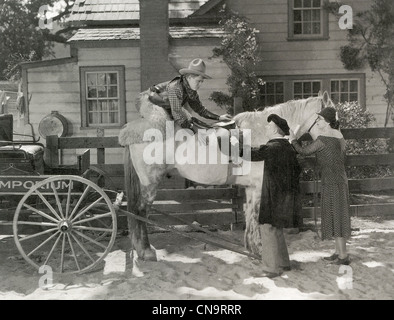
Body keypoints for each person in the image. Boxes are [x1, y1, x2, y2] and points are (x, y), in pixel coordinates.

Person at [289, 107, 351, 265]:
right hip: (339, 180)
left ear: (327, 122)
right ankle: (338, 252)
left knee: (336, 216)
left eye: (320, 120)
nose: (318, 122)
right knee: (338, 215)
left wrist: (293, 140)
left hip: (331, 181)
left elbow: (303, 151)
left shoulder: (323, 138)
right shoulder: (339, 135)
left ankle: (343, 256)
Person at [246, 114, 302, 277]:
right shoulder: (289, 148)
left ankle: (271, 268)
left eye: (269, 126)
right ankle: (284, 263)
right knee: (277, 227)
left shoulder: (273, 147)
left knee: (268, 227)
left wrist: (229, 143)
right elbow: (297, 170)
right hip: (286, 196)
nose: (266, 128)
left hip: (273, 195)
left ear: (276, 130)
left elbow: (250, 154)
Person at [149, 58, 232, 133]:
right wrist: (193, 128)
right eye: (198, 81)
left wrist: (219, 118)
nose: (200, 84)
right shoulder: (175, 87)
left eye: (201, 82)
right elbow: (177, 114)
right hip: (151, 104)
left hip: (168, 109)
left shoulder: (191, 90)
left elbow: (200, 109)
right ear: (189, 78)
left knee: (191, 123)